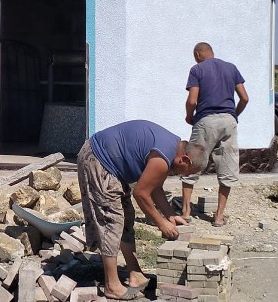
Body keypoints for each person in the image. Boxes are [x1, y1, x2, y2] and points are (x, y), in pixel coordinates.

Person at [77, 120, 206, 300]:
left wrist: (170, 215)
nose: (185, 176)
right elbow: (141, 193)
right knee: (111, 221)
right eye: (188, 172)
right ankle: (112, 286)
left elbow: (155, 188)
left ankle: (135, 274)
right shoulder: (163, 156)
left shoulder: (171, 148)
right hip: (98, 158)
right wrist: (161, 223)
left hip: (111, 165)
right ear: (184, 159)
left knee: (127, 217)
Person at [181, 42, 249, 227]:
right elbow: (244, 97)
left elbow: (192, 100)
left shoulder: (197, 70)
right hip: (229, 122)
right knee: (227, 167)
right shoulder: (231, 68)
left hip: (206, 121)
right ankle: (218, 217)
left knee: (192, 163)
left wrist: (189, 116)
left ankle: (186, 212)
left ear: (197, 54)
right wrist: (234, 114)